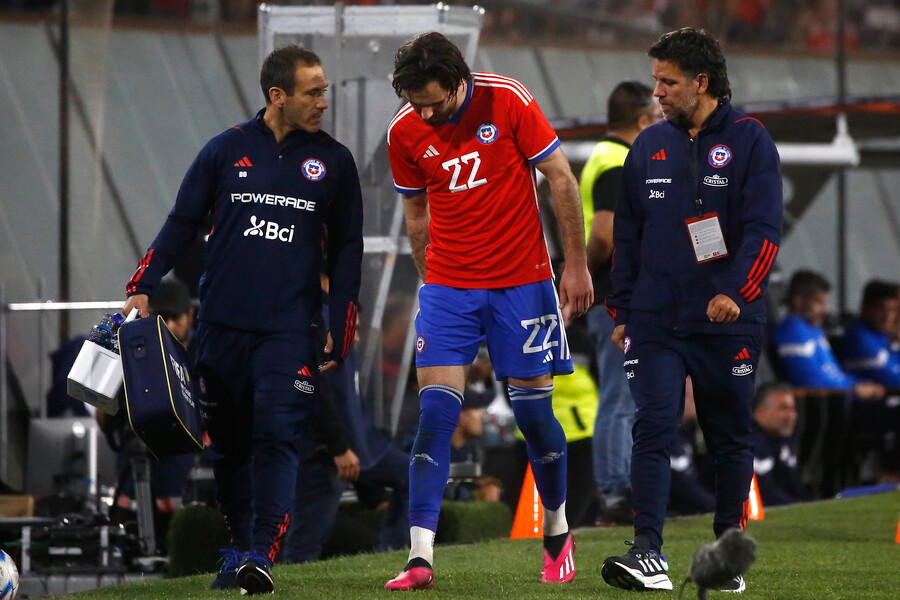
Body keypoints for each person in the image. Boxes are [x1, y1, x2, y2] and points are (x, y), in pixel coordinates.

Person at [121, 45, 363, 595]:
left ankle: (262, 553)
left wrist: (341, 319)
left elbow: (349, 248)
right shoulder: (225, 150)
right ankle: (239, 549)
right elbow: (181, 222)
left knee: (277, 433)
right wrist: (143, 285)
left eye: (324, 91)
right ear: (278, 96)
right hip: (221, 327)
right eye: (313, 92)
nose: (323, 102)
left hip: (289, 329)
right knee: (228, 446)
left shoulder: (335, 161)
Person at [384, 32, 593, 590]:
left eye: (434, 102)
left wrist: (575, 264)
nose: (426, 114)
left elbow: (561, 178)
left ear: (459, 81)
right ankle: (419, 559)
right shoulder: (404, 130)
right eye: (416, 103)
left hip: (522, 283)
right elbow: (416, 213)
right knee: (435, 416)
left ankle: (557, 529)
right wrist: (432, 283)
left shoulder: (507, 99)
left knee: (534, 419)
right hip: (449, 286)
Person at [601, 28, 783, 594]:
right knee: (653, 425)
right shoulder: (648, 146)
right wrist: (622, 311)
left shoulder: (751, 141)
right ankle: (646, 553)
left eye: (668, 81)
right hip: (656, 319)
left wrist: (738, 292)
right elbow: (627, 236)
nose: (657, 91)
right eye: (655, 80)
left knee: (728, 438)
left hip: (727, 319)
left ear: (701, 82)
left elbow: (764, 231)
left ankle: (727, 556)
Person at [579, 80, 661, 525]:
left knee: (627, 393)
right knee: (620, 394)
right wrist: (584, 274)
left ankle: (623, 487)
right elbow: (604, 235)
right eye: (658, 117)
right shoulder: (617, 161)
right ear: (643, 121)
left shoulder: (604, 156)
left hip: (615, 296)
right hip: (615, 298)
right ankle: (614, 490)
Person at [100, 278, 197, 555]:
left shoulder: (203, 351)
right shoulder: (132, 347)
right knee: (129, 545)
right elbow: (103, 410)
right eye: (162, 317)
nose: (169, 325)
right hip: (135, 464)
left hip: (186, 467)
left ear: (190, 315)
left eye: (175, 318)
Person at [769, 270, 884, 398]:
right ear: (798, 300)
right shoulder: (791, 332)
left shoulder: (814, 330)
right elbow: (812, 383)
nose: (824, 310)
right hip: (824, 404)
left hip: (841, 397)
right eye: (819, 302)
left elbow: (835, 374)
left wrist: (861, 384)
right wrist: (855, 390)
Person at [751, 383, 809, 506]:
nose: (790, 416)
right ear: (760, 412)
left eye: (793, 409)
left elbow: (794, 486)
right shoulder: (750, 442)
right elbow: (765, 493)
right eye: (783, 408)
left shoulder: (782, 441)